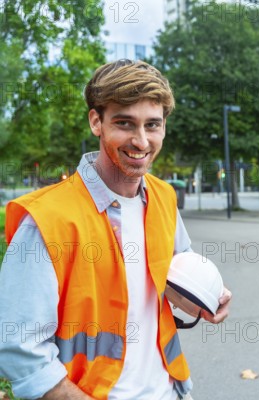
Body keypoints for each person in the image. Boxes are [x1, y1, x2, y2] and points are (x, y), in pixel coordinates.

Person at [0, 60, 232, 399]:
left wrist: (208, 296)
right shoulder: (47, 219)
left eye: (152, 125)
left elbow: (170, 279)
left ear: (164, 126)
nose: (141, 141)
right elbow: (19, 348)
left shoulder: (164, 197)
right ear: (97, 121)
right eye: (125, 124)